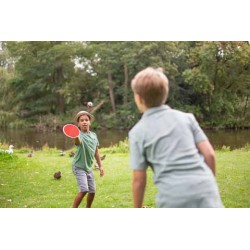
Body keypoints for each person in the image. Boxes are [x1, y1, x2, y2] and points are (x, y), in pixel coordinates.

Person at [129, 67, 224, 208]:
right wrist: (208, 184)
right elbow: (209, 155)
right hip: (206, 188)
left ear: (138, 98)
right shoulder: (187, 118)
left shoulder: (137, 132)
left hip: (173, 197)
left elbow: (138, 180)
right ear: (165, 94)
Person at [72, 111, 104, 208]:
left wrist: (100, 166)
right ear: (78, 124)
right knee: (84, 189)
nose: (84, 122)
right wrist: (75, 135)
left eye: (86, 120)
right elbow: (77, 141)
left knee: (92, 191)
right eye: (82, 120)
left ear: (90, 122)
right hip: (79, 167)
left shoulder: (94, 135)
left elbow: (96, 152)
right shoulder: (79, 135)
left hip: (88, 168)